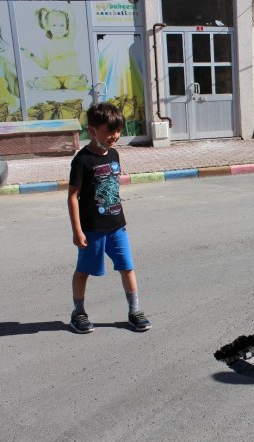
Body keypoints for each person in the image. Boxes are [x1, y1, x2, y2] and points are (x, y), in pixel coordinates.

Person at [67, 103, 151, 334]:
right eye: (109, 131)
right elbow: (73, 196)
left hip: (116, 227)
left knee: (127, 267)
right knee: (83, 271)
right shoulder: (82, 160)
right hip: (92, 229)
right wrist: (78, 231)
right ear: (92, 131)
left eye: (118, 131)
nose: (115, 136)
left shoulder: (114, 154)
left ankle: (134, 311)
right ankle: (79, 312)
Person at [21, 7, 88, 91]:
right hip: (54, 76)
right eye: (54, 25)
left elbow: (73, 23)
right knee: (51, 86)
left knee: (71, 85)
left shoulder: (68, 39)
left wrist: (69, 6)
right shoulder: (46, 46)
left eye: (62, 25)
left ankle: (82, 79)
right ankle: (35, 82)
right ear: (48, 27)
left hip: (71, 75)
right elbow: (45, 65)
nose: (58, 28)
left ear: (67, 28)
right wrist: (31, 55)